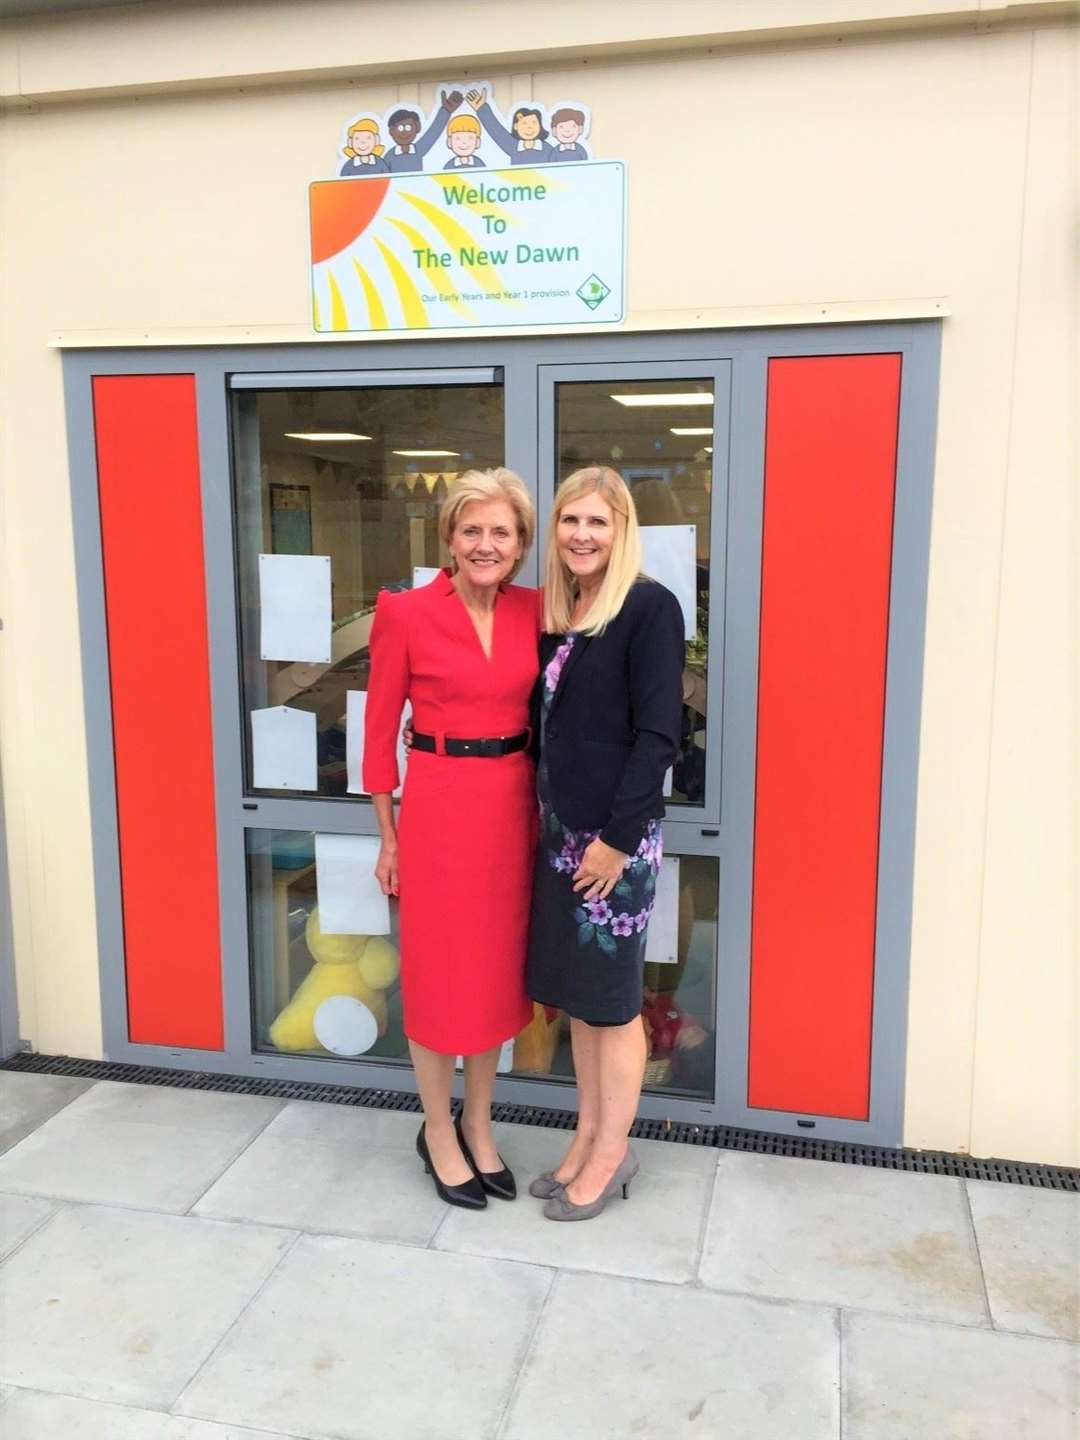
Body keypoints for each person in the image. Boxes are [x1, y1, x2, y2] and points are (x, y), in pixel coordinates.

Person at [363, 469, 540, 1210]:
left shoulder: (538, 610)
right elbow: (377, 735)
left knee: (496, 975)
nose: (485, 545)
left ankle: (479, 1121)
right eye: (472, 530)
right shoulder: (405, 612)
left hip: (512, 808)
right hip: (435, 808)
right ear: (449, 537)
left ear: (522, 544)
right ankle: (437, 1128)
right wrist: (388, 836)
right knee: (438, 977)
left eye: (501, 532)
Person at [524, 466, 684, 1221]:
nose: (582, 535)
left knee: (614, 1006)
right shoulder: (567, 613)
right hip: (563, 841)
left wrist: (616, 842)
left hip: (613, 847)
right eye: (570, 521)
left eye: (597, 522)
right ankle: (587, 1134)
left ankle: (614, 1153)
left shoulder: (648, 607)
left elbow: (659, 736)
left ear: (621, 531)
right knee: (584, 1004)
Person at [465, 87, 554, 163]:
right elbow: (497, 131)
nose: (529, 127)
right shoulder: (514, 147)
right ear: (516, 126)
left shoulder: (547, 149)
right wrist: (482, 108)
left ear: (540, 125)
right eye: (524, 123)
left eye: (534, 123)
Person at [383, 91, 462, 172]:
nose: (404, 132)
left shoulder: (418, 150)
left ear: (417, 127)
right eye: (400, 128)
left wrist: (445, 111)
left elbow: (433, 133)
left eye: (408, 127)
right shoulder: (389, 156)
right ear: (391, 131)